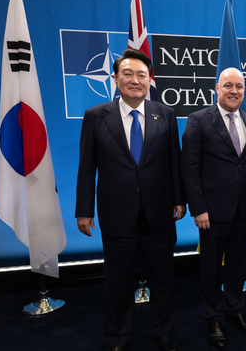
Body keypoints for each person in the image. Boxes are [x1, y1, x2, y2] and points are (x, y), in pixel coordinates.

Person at [75, 48, 186, 351]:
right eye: (128, 74)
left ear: (150, 80)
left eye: (141, 75)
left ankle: (164, 331)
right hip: (116, 215)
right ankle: (118, 337)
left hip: (159, 214)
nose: (135, 80)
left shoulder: (166, 114)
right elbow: (87, 167)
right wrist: (83, 211)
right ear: (115, 78)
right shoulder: (96, 116)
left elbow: (173, 161)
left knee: (164, 280)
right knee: (117, 283)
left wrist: (180, 200)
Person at [181, 67, 246, 350]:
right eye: (228, 86)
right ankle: (212, 317)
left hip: (244, 210)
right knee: (211, 268)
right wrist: (198, 208)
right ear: (217, 87)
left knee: (238, 266)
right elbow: (189, 168)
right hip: (211, 212)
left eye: (239, 86)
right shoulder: (198, 120)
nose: (234, 91)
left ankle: (235, 310)